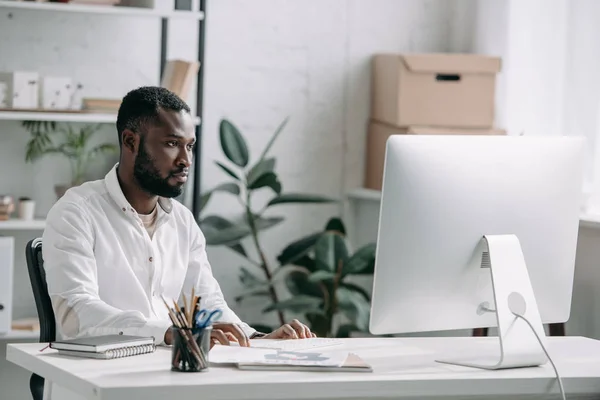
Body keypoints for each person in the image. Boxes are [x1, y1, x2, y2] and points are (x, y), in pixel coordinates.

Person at [42, 86, 314, 347]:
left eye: (190, 146)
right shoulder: (76, 212)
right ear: (130, 141)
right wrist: (169, 333)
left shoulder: (182, 221)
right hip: (93, 381)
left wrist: (255, 338)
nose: (186, 160)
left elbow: (208, 304)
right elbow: (76, 315)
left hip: (164, 373)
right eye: (172, 144)